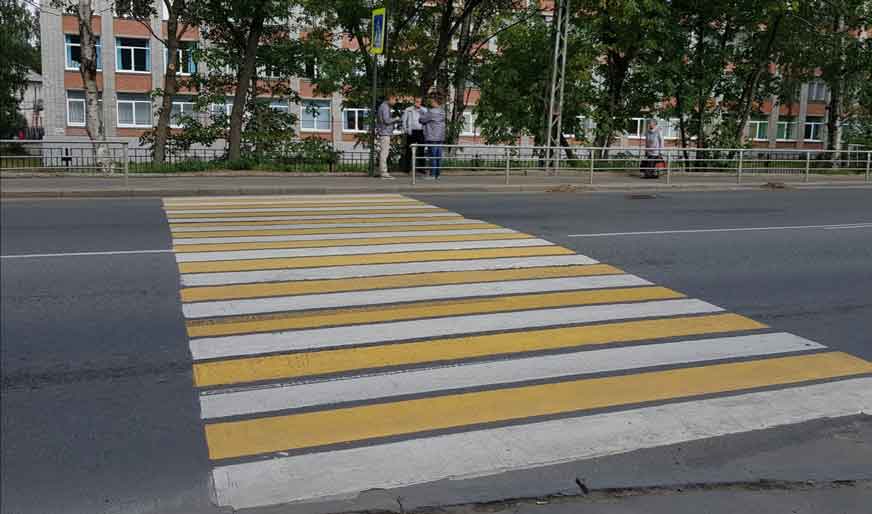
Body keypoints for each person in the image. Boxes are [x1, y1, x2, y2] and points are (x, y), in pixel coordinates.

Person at [418, 94, 446, 180]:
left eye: (432, 101)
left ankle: (432, 175)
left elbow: (421, 120)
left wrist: (421, 113)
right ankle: (438, 175)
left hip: (432, 136)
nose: (430, 102)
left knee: (432, 156)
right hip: (440, 136)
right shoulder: (442, 111)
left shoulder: (431, 112)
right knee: (438, 156)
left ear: (435, 102)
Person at [376, 97, 400, 179]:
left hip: (384, 132)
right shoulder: (385, 107)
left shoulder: (383, 106)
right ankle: (384, 172)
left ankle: (383, 172)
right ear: (390, 99)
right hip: (384, 132)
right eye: (395, 100)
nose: (395, 102)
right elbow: (386, 120)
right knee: (384, 153)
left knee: (384, 152)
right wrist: (396, 119)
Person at [402, 98, 426, 174]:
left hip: (421, 131)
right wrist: (406, 130)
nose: (417, 103)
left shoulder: (423, 109)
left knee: (421, 150)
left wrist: (420, 108)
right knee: (409, 150)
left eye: (419, 102)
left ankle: (421, 168)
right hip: (411, 132)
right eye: (416, 101)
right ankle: (407, 168)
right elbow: (404, 120)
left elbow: (426, 117)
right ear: (414, 102)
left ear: (421, 102)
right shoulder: (408, 109)